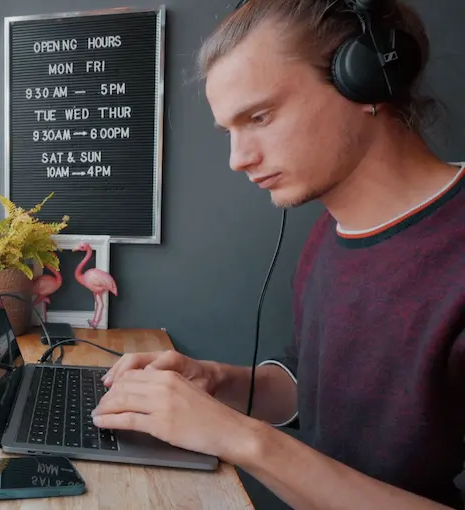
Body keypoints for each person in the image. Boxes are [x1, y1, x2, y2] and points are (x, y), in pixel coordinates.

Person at [91, 0, 465, 508]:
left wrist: (241, 438)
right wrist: (218, 382)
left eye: (260, 116)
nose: (238, 159)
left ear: (365, 79)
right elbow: (309, 388)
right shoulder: (330, 233)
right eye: (230, 131)